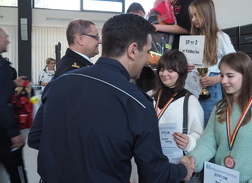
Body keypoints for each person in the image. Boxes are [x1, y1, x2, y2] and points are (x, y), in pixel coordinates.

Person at [29, 14, 195, 182]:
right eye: (147, 52)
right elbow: (154, 175)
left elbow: (35, 138)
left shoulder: (59, 83)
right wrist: (183, 169)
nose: (147, 60)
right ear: (132, 50)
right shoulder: (137, 102)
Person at [188, 51, 252, 183]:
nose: (224, 81)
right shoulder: (219, 108)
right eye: (222, 75)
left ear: (246, 76)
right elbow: (208, 142)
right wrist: (194, 159)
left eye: (230, 76)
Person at [188, 0, 235, 126]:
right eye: (191, 16)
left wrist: (217, 79)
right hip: (193, 85)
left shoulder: (221, 37)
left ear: (207, 14)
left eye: (196, 15)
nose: (193, 20)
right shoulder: (193, 39)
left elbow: (235, 66)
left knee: (210, 124)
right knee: (195, 123)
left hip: (212, 88)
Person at [151, 50, 204, 154]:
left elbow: (199, 134)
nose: (164, 74)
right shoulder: (149, 96)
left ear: (181, 72)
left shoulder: (190, 101)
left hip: (175, 162)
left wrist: (189, 142)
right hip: (150, 157)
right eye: (162, 69)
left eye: (170, 71)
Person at [0, 26, 28, 183]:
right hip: (4, 134)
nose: (8, 41)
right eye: (5, 37)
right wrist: (14, 133)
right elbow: (2, 104)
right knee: (17, 172)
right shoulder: (3, 67)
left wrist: (11, 84)